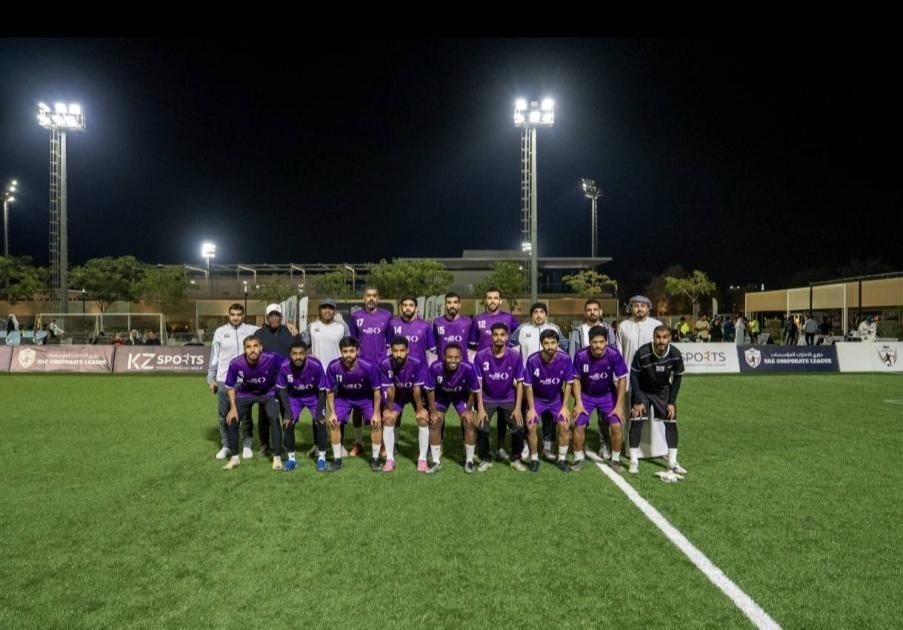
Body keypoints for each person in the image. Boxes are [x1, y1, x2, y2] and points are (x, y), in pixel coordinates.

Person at [628, 325, 686, 475]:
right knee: (637, 421)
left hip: (663, 391)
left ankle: (672, 462)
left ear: (670, 338)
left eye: (665, 337)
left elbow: (677, 378)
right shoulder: (642, 353)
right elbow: (633, 376)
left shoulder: (675, 354)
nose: (661, 340)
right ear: (653, 338)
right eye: (658, 337)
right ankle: (633, 461)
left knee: (671, 422)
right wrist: (637, 400)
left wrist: (671, 402)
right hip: (643, 390)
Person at [471, 287, 520, 460]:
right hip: (484, 371)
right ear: (485, 300)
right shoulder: (477, 319)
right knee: (481, 413)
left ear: (500, 300)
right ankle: (480, 449)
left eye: (495, 298)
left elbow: (516, 339)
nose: (492, 301)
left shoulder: (509, 318)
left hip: (504, 369)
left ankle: (500, 447)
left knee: (503, 416)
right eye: (489, 298)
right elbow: (472, 346)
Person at [572, 325, 628, 473]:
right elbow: (576, 379)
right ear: (589, 342)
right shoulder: (581, 356)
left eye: (601, 342)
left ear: (606, 342)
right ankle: (578, 458)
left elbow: (622, 379)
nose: (598, 345)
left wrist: (619, 406)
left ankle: (615, 460)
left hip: (607, 394)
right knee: (579, 424)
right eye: (595, 342)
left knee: (616, 425)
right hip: (586, 395)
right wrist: (578, 403)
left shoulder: (614, 354)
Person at [221, 335, 282, 471]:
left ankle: (277, 457)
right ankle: (234, 458)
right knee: (232, 419)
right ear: (244, 349)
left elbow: (288, 364)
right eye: (248, 347)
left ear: (260, 348)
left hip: (268, 392)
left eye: (255, 346)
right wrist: (233, 408)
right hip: (246, 393)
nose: (252, 350)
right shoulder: (236, 363)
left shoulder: (272, 358)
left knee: (273, 417)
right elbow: (229, 386)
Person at [207, 303, 259, 460]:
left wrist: (289, 325)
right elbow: (214, 356)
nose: (236, 317)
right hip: (224, 379)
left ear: (243, 315)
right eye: (233, 314)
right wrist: (210, 378)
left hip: (245, 380)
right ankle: (226, 446)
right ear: (228, 315)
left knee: (246, 415)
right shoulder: (220, 332)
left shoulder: (251, 330)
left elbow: (269, 329)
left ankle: (247, 445)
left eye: (239, 314)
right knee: (223, 416)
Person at [614, 295, 663, 461]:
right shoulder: (623, 326)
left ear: (648, 308)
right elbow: (619, 353)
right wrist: (618, 378)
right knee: (632, 414)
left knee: (654, 416)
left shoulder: (656, 325)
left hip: (652, 378)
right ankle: (632, 450)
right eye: (636, 306)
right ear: (631, 308)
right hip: (629, 377)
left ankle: (657, 450)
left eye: (643, 306)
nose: (639, 309)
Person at [324, 337, 382, 472]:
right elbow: (330, 391)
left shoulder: (368, 366)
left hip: (365, 397)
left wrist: (376, 413)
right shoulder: (333, 367)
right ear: (341, 352)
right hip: (344, 398)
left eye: (351, 351)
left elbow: (376, 391)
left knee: (376, 423)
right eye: (345, 351)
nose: (348, 355)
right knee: (334, 423)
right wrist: (332, 413)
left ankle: (375, 459)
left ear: (357, 351)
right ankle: (337, 460)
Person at [474, 323, 526, 472]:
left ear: (507, 336)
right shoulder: (481, 356)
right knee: (481, 427)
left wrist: (517, 408)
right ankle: (485, 458)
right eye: (495, 335)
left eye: (502, 335)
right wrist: (480, 408)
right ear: (491, 337)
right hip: (487, 398)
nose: (499, 338)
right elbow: (478, 383)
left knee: (518, 427)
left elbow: (520, 382)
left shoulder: (515, 356)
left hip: (508, 398)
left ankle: (515, 459)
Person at [423, 342, 482, 474]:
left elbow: (473, 390)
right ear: (444, 357)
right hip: (442, 397)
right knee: (435, 422)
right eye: (450, 357)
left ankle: (469, 461)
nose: (453, 361)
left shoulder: (469, 368)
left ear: (461, 357)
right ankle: (436, 461)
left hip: (460, 397)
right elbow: (430, 390)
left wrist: (468, 410)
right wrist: (433, 411)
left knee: (469, 422)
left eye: (456, 357)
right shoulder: (435, 367)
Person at [348, 287, 393, 457]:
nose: (371, 298)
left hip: (380, 369)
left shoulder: (387, 316)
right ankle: (358, 442)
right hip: (361, 369)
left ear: (378, 298)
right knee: (357, 405)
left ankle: (381, 443)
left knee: (380, 406)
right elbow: (353, 343)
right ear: (363, 298)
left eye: (374, 295)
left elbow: (390, 343)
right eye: (368, 295)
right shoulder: (356, 316)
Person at [523, 329, 575, 473]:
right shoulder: (532, 360)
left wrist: (565, 407)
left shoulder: (565, 359)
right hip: (537, 399)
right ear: (541, 344)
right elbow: (528, 386)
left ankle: (562, 459)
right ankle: (534, 459)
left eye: (553, 343)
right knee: (531, 424)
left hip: (556, 399)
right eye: (546, 343)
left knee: (565, 424)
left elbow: (569, 383)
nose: (550, 346)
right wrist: (531, 408)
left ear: (558, 344)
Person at [276, 338, 329, 472]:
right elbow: (282, 390)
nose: (298, 357)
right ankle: (291, 460)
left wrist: (319, 413)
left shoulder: (316, 365)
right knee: (287, 423)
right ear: (290, 354)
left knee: (321, 423)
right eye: (294, 354)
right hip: (294, 397)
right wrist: (287, 413)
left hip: (313, 396)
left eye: (301, 353)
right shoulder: (284, 366)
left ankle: (322, 458)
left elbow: (322, 390)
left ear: (306, 354)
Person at [379, 336, 429, 472]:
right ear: (391, 351)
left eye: (402, 350)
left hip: (414, 394)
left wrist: (420, 409)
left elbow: (417, 388)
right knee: (388, 419)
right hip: (397, 395)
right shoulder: (385, 364)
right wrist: (389, 409)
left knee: (422, 419)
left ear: (408, 350)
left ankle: (422, 459)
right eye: (395, 351)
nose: (398, 354)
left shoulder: (417, 363)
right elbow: (390, 389)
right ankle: (390, 459)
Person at [308, 297, 350, 457]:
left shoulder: (341, 327)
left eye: (330, 308)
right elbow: (303, 346)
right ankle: (317, 445)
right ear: (319, 310)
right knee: (318, 414)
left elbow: (349, 347)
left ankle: (339, 445)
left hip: (337, 376)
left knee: (338, 413)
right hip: (317, 376)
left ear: (334, 310)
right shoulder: (312, 327)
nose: (327, 310)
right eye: (324, 307)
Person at [388, 295, 436, 365]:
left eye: (411, 305)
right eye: (405, 305)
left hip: (420, 369)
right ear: (401, 307)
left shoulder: (425, 326)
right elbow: (388, 349)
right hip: (399, 369)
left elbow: (432, 352)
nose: (408, 308)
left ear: (416, 308)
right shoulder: (393, 324)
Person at [433, 292, 473, 361]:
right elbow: (435, 345)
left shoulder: (468, 323)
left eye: (455, 302)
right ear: (445, 305)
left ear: (459, 305)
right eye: (449, 302)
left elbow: (472, 345)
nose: (452, 305)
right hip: (442, 364)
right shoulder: (437, 322)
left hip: (462, 364)